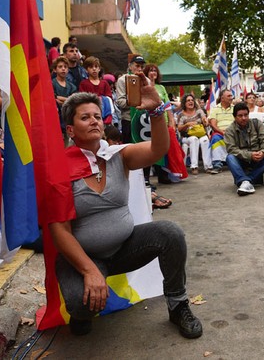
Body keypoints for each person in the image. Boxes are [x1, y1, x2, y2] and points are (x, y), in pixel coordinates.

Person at [53, 92, 203, 339]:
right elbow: (60, 230)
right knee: (81, 306)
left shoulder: (117, 155)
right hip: (85, 258)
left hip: (125, 249)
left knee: (170, 233)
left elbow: (158, 149)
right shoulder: (60, 168)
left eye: (97, 116)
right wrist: (90, 271)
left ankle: (178, 305)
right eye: (85, 117)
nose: (94, 121)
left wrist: (156, 112)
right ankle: (82, 313)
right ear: (70, 129)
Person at [224, 102, 264, 195]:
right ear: (234, 117)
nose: (244, 118)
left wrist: (263, 152)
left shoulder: (257, 123)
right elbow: (231, 149)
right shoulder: (230, 130)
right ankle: (247, 181)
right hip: (242, 160)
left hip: (258, 158)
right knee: (230, 158)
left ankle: (245, 181)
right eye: (240, 116)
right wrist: (249, 155)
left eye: (246, 115)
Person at [176, 94, 216, 175]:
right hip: (187, 137)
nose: (191, 102)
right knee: (194, 139)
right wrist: (187, 125)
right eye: (188, 100)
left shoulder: (199, 111)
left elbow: (205, 123)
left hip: (200, 134)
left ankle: (208, 166)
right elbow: (179, 128)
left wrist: (205, 121)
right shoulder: (181, 114)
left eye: (192, 100)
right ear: (184, 103)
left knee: (205, 140)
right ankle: (194, 166)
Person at [115, 54, 146, 144]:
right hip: (128, 119)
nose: (140, 69)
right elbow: (120, 102)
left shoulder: (146, 80)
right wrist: (136, 102)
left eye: (142, 66)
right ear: (130, 66)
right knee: (129, 148)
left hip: (143, 119)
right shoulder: (122, 80)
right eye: (137, 66)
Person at [208, 89, 235, 170]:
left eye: (231, 96)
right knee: (215, 138)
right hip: (219, 132)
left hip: (233, 131)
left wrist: (230, 131)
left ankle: (236, 162)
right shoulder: (215, 109)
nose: (231, 98)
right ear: (222, 98)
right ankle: (217, 164)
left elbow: (238, 122)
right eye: (229, 96)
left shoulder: (235, 108)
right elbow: (213, 124)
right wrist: (222, 132)